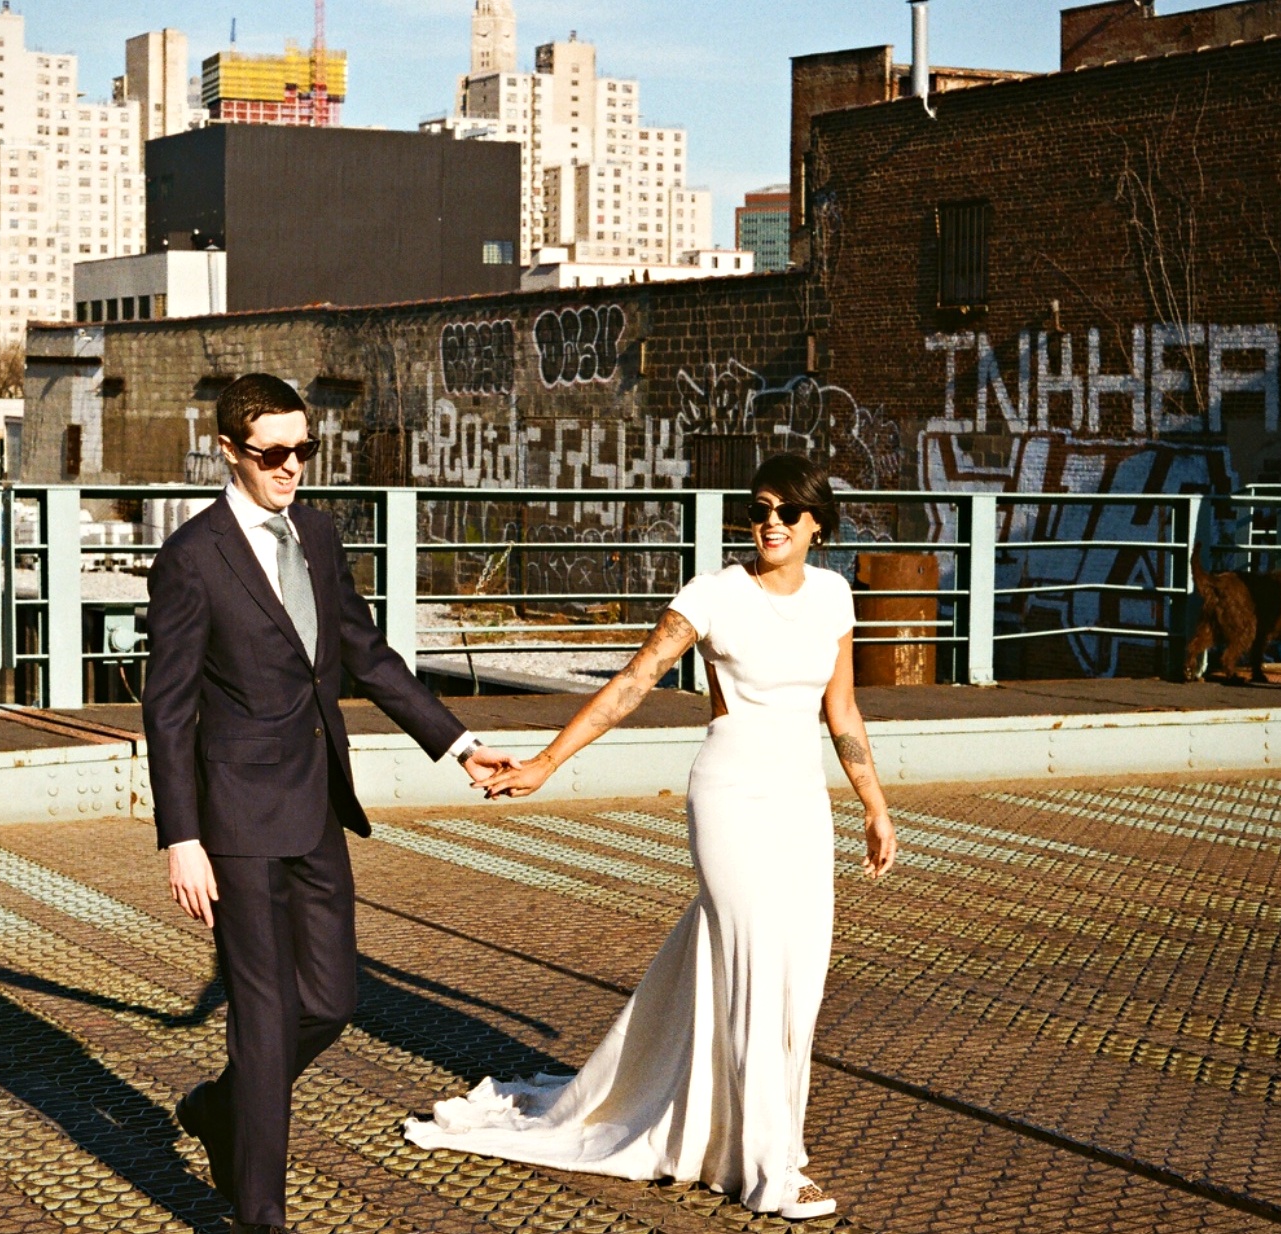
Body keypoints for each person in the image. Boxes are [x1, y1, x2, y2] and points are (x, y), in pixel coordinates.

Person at [406, 453, 899, 1222]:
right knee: (754, 968)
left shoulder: (835, 597)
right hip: (732, 793)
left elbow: (842, 713)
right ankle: (771, 1171)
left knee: (798, 977)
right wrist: (545, 762)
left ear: (815, 527)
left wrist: (874, 805)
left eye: (786, 512)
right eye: (759, 507)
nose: (768, 522)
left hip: (802, 799)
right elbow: (633, 682)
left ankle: (746, 1135)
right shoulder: (714, 594)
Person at [142, 373, 517, 1234]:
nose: (293, 468)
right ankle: (258, 1213)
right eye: (275, 454)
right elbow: (166, 710)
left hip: (315, 807)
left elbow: (363, 649)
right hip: (233, 821)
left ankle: (224, 1109)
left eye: (304, 450)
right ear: (232, 452)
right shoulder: (192, 559)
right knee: (265, 1017)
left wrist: (456, 744)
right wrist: (181, 838)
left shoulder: (316, 531)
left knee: (334, 1001)